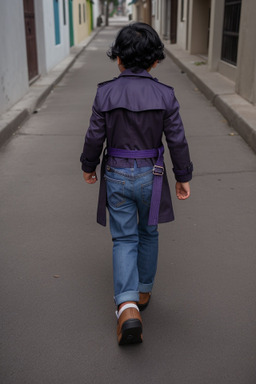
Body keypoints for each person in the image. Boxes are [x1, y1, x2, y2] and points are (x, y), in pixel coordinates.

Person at [80, 22, 193, 345]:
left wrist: (89, 166)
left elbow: (94, 137)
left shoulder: (106, 92)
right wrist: (183, 176)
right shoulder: (165, 95)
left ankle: (127, 306)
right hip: (152, 175)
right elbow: (177, 140)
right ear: (155, 61)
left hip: (116, 172)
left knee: (124, 238)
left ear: (118, 59)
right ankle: (143, 291)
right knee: (149, 232)